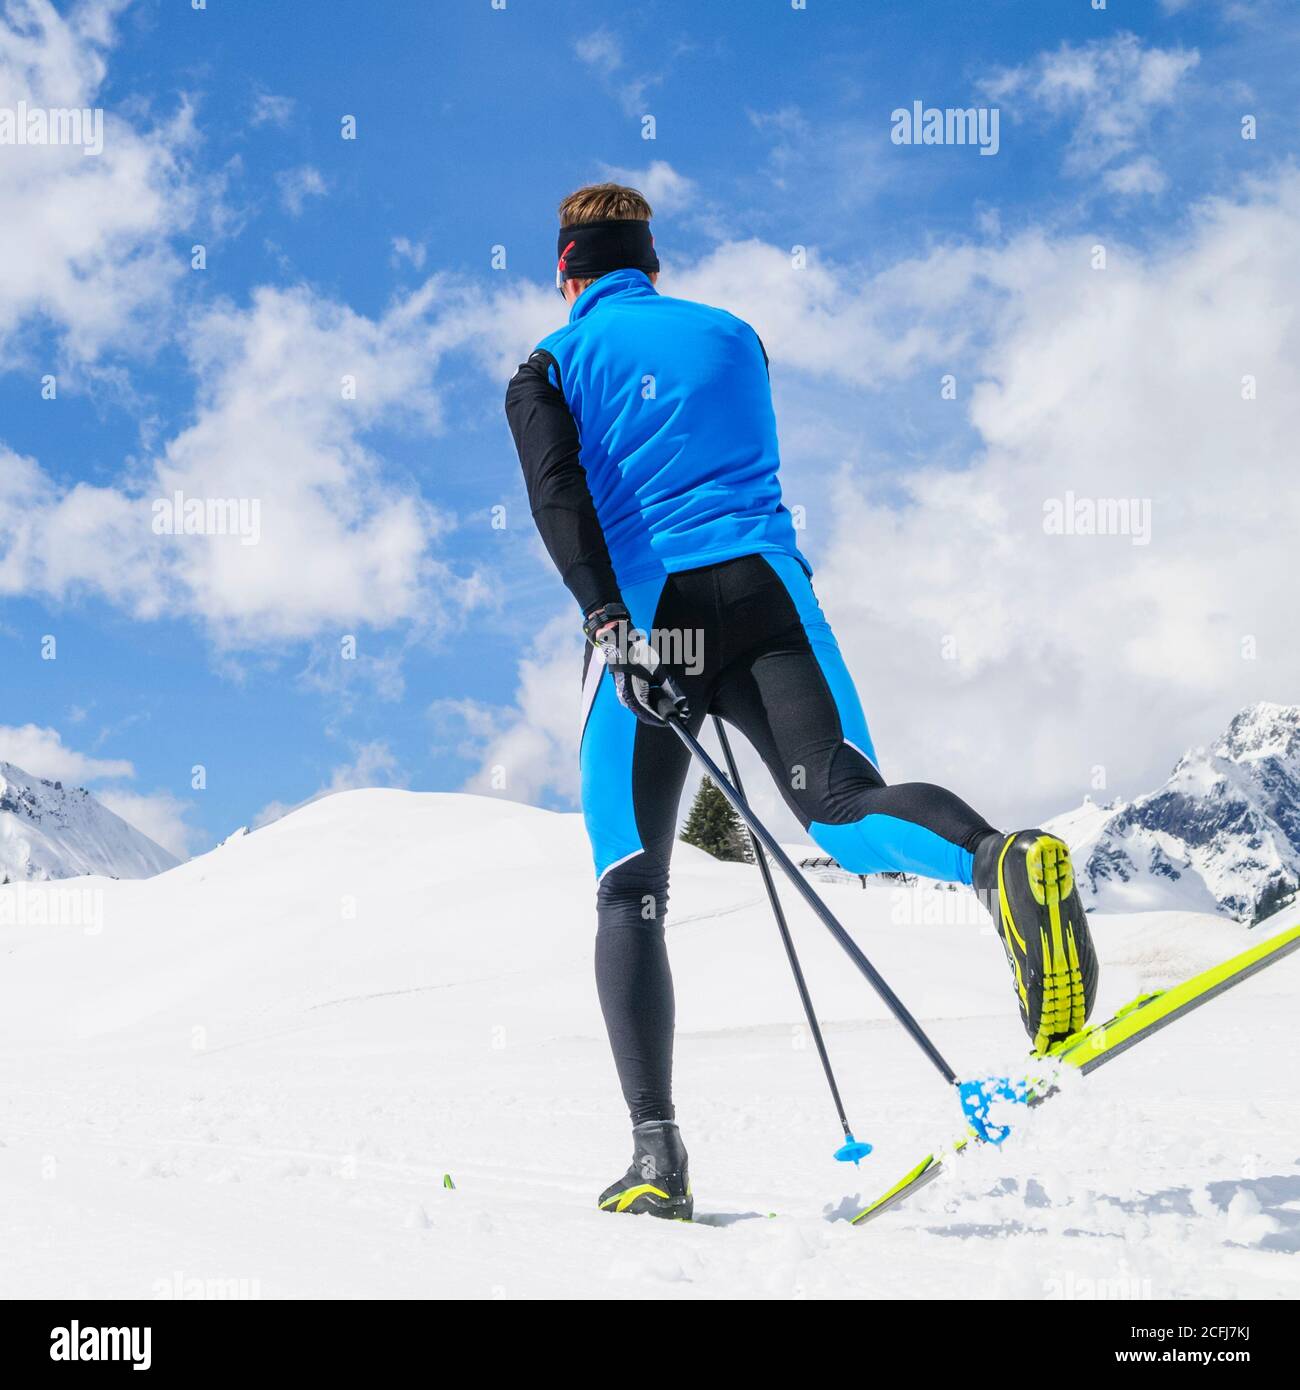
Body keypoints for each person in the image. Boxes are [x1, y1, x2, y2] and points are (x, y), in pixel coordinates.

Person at [505, 183, 1098, 1221]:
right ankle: (999, 862)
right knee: (841, 807)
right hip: (773, 599)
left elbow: (557, 493)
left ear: (566, 271)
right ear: (653, 259)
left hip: (653, 618)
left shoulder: (548, 366)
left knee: (629, 885)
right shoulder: (738, 336)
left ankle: (658, 1155)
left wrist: (607, 621)